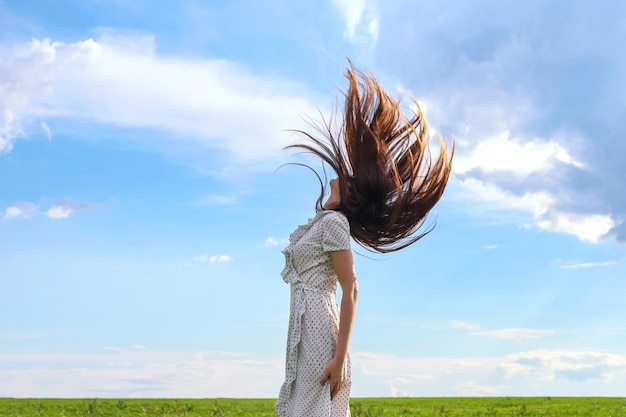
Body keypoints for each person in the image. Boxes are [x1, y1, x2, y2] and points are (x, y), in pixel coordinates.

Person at [275, 63, 453, 417]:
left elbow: (351, 289)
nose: (344, 174)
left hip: (318, 334)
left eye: (352, 178)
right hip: (301, 328)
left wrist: (339, 359)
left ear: (352, 197)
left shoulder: (336, 225)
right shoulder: (322, 223)